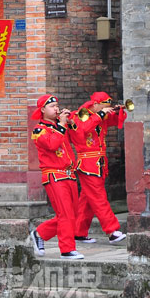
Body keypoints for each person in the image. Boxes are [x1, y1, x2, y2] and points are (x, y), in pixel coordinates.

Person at [69, 92, 127, 244]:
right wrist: (101, 114)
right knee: (99, 197)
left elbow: (116, 121)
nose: (106, 110)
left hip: (99, 162)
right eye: (104, 107)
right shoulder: (80, 114)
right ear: (95, 104)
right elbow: (84, 129)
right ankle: (111, 231)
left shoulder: (99, 115)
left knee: (88, 200)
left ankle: (79, 232)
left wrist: (118, 111)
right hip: (87, 163)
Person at [30, 95, 83, 260]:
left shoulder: (60, 126)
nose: (56, 109)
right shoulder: (38, 131)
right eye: (52, 106)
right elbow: (52, 145)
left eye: (56, 105)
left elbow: (80, 140)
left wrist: (71, 124)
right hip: (54, 175)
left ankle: (39, 233)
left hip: (69, 174)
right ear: (42, 110)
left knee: (71, 214)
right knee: (66, 213)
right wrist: (61, 124)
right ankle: (67, 249)